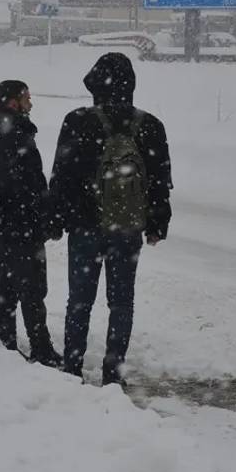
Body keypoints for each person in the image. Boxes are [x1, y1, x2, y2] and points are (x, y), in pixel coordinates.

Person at [44, 53, 172, 386]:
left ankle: (72, 367)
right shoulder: (150, 125)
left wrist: (55, 219)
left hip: (85, 226)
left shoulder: (77, 121)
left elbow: (62, 176)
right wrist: (157, 223)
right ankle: (113, 372)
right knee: (122, 302)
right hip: (126, 227)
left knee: (80, 300)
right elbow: (159, 179)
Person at [0, 80, 61, 367]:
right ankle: (40, 349)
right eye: (26, 97)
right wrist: (44, 218)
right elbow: (30, 187)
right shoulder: (17, 137)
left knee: (5, 287)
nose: (30, 103)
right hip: (22, 228)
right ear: (13, 102)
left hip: (2, 229)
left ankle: (7, 345)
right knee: (33, 290)